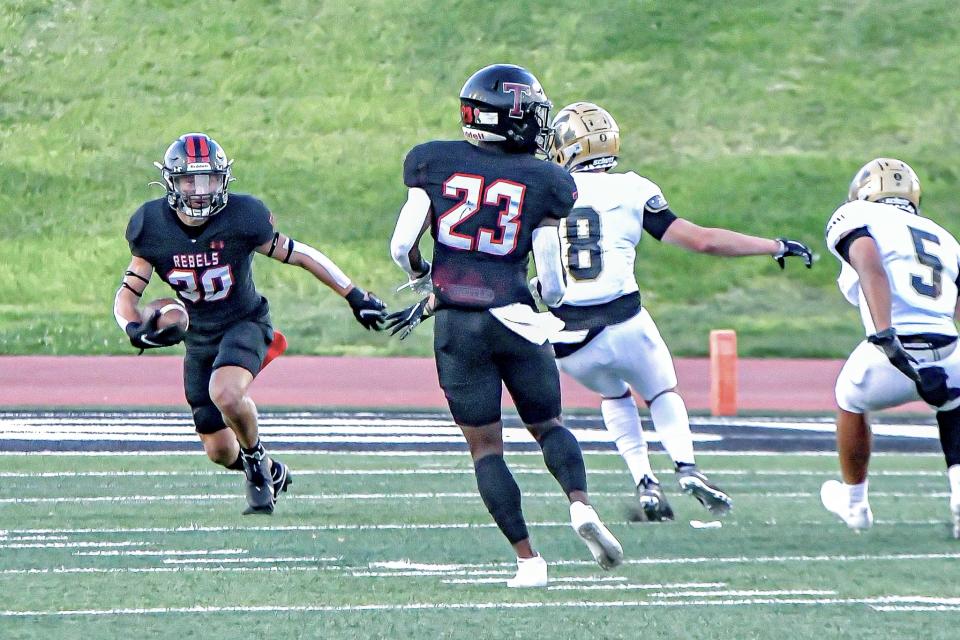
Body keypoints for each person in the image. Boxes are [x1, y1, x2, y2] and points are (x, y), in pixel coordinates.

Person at [385, 65, 623, 587]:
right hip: (516, 316)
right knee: (549, 426)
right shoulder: (546, 180)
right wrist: (536, 297)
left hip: (456, 323)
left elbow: (402, 246)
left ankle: (529, 560)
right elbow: (554, 283)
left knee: (486, 448)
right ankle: (580, 505)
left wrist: (425, 279)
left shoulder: (433, 161)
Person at [543, 102, 813, 522]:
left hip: (568, 338)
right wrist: (774, 245)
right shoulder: (632, 188)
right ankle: (686, 466)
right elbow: (703, 241)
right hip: (624, 322)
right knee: (661, 393)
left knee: (614, 396)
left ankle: (644, 481)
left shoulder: (541, 189)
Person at [114, 133, 387, 515]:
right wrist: (132, 327)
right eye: (190, 180)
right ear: (172, 182)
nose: (199, 190)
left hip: (245, 322)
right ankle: (270, 469)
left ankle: (257, 466)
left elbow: (300, 254)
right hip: (199, 337)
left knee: (226, 393)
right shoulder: (151, 225)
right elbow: (128, 295)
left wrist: (354, 294)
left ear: (223, 180)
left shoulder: (242, 217)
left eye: (208, 179)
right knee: (219, 450)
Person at [821, 157, 960, 536]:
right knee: (954, 404)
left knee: (849, 397)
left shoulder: (855, 215)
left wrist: (885, 334)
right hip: (949, 346)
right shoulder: (941, 235)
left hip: (893, 349)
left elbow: (869, 263)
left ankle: (855, 505)